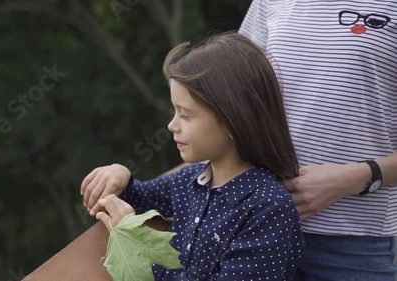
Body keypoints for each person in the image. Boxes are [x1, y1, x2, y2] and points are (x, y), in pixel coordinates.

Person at [81, 32, 304, 280]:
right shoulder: (190, 179)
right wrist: (120, 175)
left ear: (234, 121)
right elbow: (141, 199)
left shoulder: (268, 210)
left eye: (185, 115)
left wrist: (138, 244)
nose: (172, 125)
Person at [238, 0, 397, 280]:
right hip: (255, 229)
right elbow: (230, 108)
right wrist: (147, 190)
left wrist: (357, 178)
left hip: (355, 248)